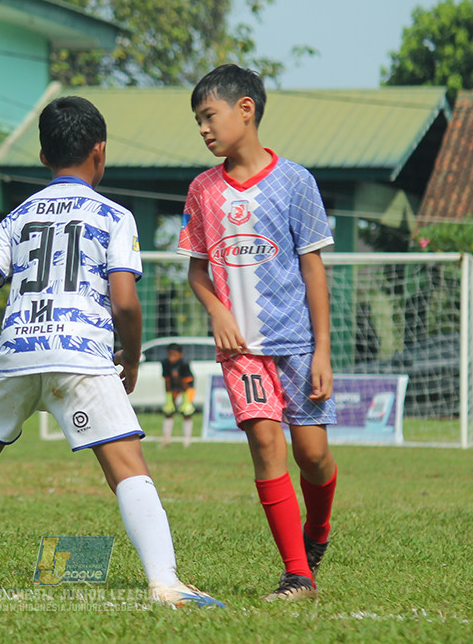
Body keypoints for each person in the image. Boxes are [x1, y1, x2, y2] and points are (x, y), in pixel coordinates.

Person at [0, 96, 223, 609]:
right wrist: (131, 358)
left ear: (44, 156)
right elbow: (124, 302)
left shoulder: (18, 217)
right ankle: (165, 582)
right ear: (100, 151)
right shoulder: (114, 215)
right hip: (81, 353)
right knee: (127, 465)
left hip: (17, 351)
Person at [178, 65, 338, 602]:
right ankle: (298, 576)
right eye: (198, 121)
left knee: (312, 456)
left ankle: (318, 530)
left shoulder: (295, 181)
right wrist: (218, 313)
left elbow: (313, 269)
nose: (203, 128)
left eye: (209, 115)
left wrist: (323, 350)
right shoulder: (202, 190)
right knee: (267, 446)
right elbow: (197, 273)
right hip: (241, 352)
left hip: (298, 345)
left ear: (245, 109)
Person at [160, 342, 196, 448]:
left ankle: (187, 440)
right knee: (169, 411)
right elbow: (167, 381)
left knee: (186, 412)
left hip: (186, 387)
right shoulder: (165, 363)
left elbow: (186, 382)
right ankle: (166, 439)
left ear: (180, 355)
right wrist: (169, 398)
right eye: (169, 355)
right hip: (173, 387)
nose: (171, 358)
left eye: (174, 355)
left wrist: (185, 401)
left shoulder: (184, 363)